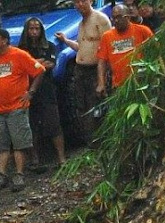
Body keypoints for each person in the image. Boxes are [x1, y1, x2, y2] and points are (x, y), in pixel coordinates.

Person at [0, 28, 44, 193]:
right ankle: (1, 174)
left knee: (19, 142)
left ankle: (19, 173)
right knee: (1, 143)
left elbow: (39, 71)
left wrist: (30, 93)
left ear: (4, 40)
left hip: (17, 106)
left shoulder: (19, 55)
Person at [55, 0, 111, 143]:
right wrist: (66, 40)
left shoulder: (100, 19)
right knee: (81, 107)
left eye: (82, 1)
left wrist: (102, 79)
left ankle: (101, 140)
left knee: (96, 106)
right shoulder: (81, 23)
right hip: (80, 70)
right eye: (76, 2)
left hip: (95, 70)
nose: (80, 4)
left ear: (90, 1)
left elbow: (109, 46)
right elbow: (82, 46)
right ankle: (89, 140)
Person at [18, 17, 67, 172]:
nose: (34, 31)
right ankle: (34, 159)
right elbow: (22, 68)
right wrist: (37, 64)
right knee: (30, 126)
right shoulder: (20, 49)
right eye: (31, 28)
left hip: (47, 90)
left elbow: (49, 65)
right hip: (26, 92)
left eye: (37, 28)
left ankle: (61, 158)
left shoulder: (49, 46)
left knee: (53, 124)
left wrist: (32, 64)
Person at [97, 3, 153, 95]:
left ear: (127, 17)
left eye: (119, 17)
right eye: (113, 18)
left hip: (141, 84)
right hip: (119, 86)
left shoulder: (143, 31)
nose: (116, 20)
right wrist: (101, 83)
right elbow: (101, 61)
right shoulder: (107, 36)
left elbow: (156, 52)